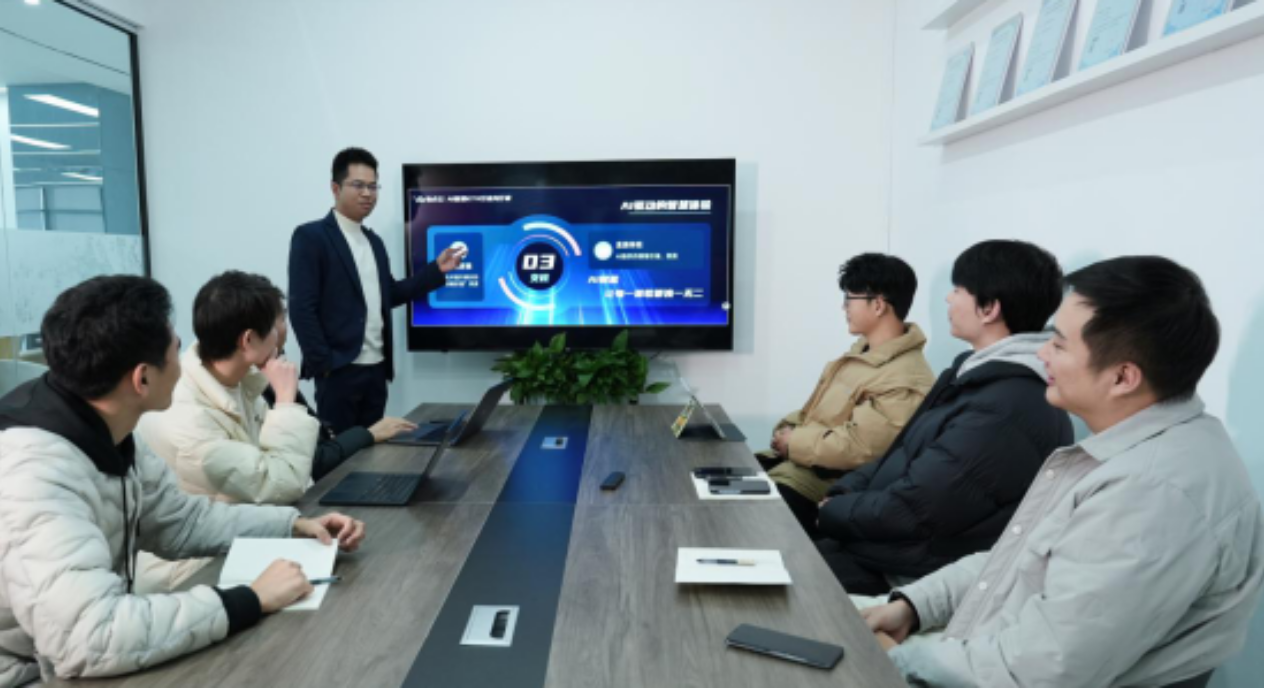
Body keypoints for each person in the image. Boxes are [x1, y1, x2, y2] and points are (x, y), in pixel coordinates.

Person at [862, 256, 1264, 687]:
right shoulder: (1137, 448)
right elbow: (1019, 559)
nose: (1041, 353)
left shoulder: (1151, 493)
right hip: (979, 648)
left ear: (1122, 377)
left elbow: (1039, 669)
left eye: (1058, 344)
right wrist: (913, 606)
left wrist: (902, 659)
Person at [0, 275, 366, 686]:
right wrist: (251, 599)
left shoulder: (108, 429)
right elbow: (91, 638)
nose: (185, 352)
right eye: (174, 346)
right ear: (142, 379)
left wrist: (291, 525)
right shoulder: (34, 475)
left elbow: (182, 521)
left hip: (57, 659)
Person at [816, 240, 1073, 595]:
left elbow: (913, 510)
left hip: (909, 570)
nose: (948, 299)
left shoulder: (1006, 406)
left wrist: (835, 510)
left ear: (989, 308)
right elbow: (897, 455)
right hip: (885, 545)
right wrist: (842, 494)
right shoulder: (972, 375)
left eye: (958, 289)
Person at [288, 147, 466, 433]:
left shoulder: (374, 242)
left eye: (373, 186)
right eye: (358, 185)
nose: (367, 193)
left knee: (374, 449)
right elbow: (301, 308)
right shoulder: (311, 237)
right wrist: (325, 364)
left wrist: (436, 270)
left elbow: (390, 294)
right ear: (335, 188)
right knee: (341, 452)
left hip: (376, 369)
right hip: (339, 371)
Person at [761, 253, 935, 538]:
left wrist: (794, 442)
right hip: (800, 468)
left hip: (824, 487)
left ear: (878, 305)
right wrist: (787, 429)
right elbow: (817, 412)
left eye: (849, 299)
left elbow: (860, 447)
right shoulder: (861, 356)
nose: (844, 307)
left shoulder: (906, 378)